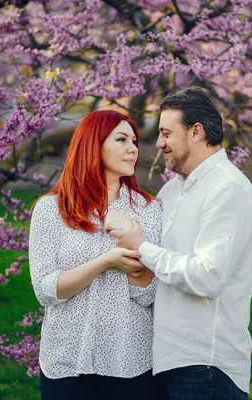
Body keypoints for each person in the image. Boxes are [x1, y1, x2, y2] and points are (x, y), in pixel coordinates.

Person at [110, 87, 252, 400]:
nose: (159, 143)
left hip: (206, 367)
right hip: (167, 361)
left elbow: (209, 277)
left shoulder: (227, 189)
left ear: (196, 132)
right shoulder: (172, 192)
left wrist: (144, 248)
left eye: (166, 133)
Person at [29, 110, 163, 400]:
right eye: (122, 139)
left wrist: (134, 255)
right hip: (66, 362)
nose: (133, 149)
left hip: (130, 362)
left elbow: (148, 295)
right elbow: (46, 291)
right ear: (93, 145)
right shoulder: (51, 210)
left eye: (135, 141)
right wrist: (106, 262)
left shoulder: (148, 212)